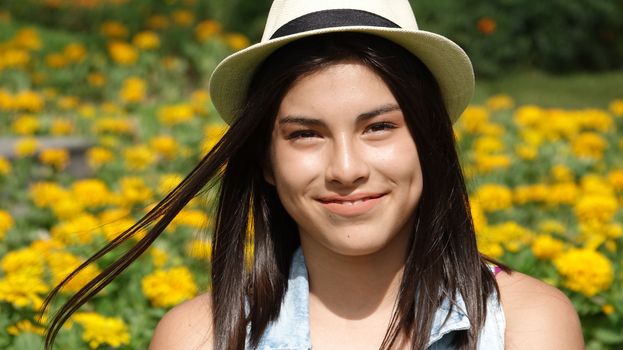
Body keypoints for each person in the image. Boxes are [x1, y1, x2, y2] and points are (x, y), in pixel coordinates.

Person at [43, 0, 584, 349]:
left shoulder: (524, 327)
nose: (346, 169)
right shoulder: (199, 338)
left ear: (430, 143)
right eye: (305, 134)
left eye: (378, 128)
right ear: (267, 162)